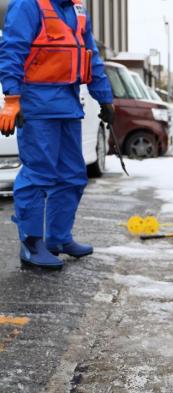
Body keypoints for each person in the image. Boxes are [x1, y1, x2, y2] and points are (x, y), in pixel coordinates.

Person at [0, 0, 115, 270]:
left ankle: (58, 238)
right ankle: (31, 243)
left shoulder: (77, 9)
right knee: (38, 174)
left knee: (73, 175)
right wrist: (12, 98)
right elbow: (11, 50)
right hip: (37, 105)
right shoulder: (28, 5)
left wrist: (105, 98)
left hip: (69, 103)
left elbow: (91, 54)